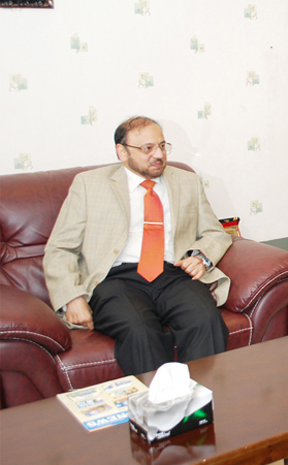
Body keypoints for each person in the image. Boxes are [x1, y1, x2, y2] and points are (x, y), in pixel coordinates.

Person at [44, 116, 231, 376]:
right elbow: (60, 248)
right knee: (141, 331)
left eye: (162, 146)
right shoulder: (89, 184)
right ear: (122, 152)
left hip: (173, 274)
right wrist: (71, 298)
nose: (159, 155)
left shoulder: (187, 181)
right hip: (116, 280)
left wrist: (201, 257)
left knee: (206, 320)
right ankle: (159, 402)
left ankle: (201, 399)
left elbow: (215, 232)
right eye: (147, 148)